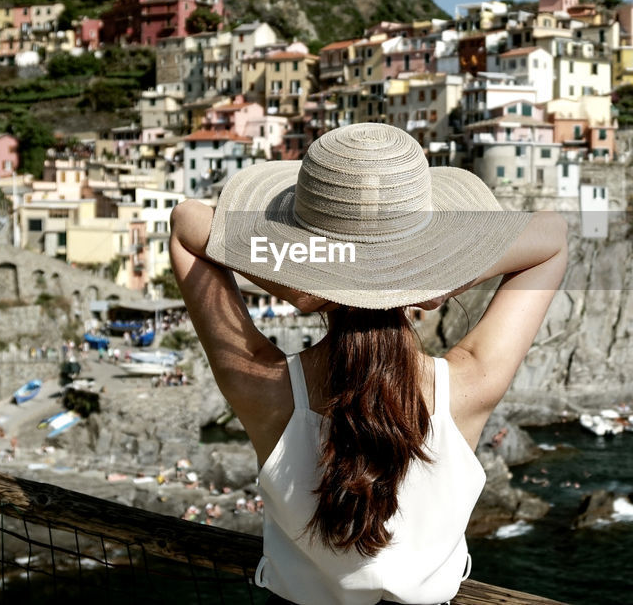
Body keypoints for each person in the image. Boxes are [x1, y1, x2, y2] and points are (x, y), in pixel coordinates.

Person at [170, 123, 567, 605]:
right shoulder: (468, 384)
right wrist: (437, 280)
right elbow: (552, 237)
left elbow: (187, 224)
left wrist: (298, 284)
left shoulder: (265, 388)